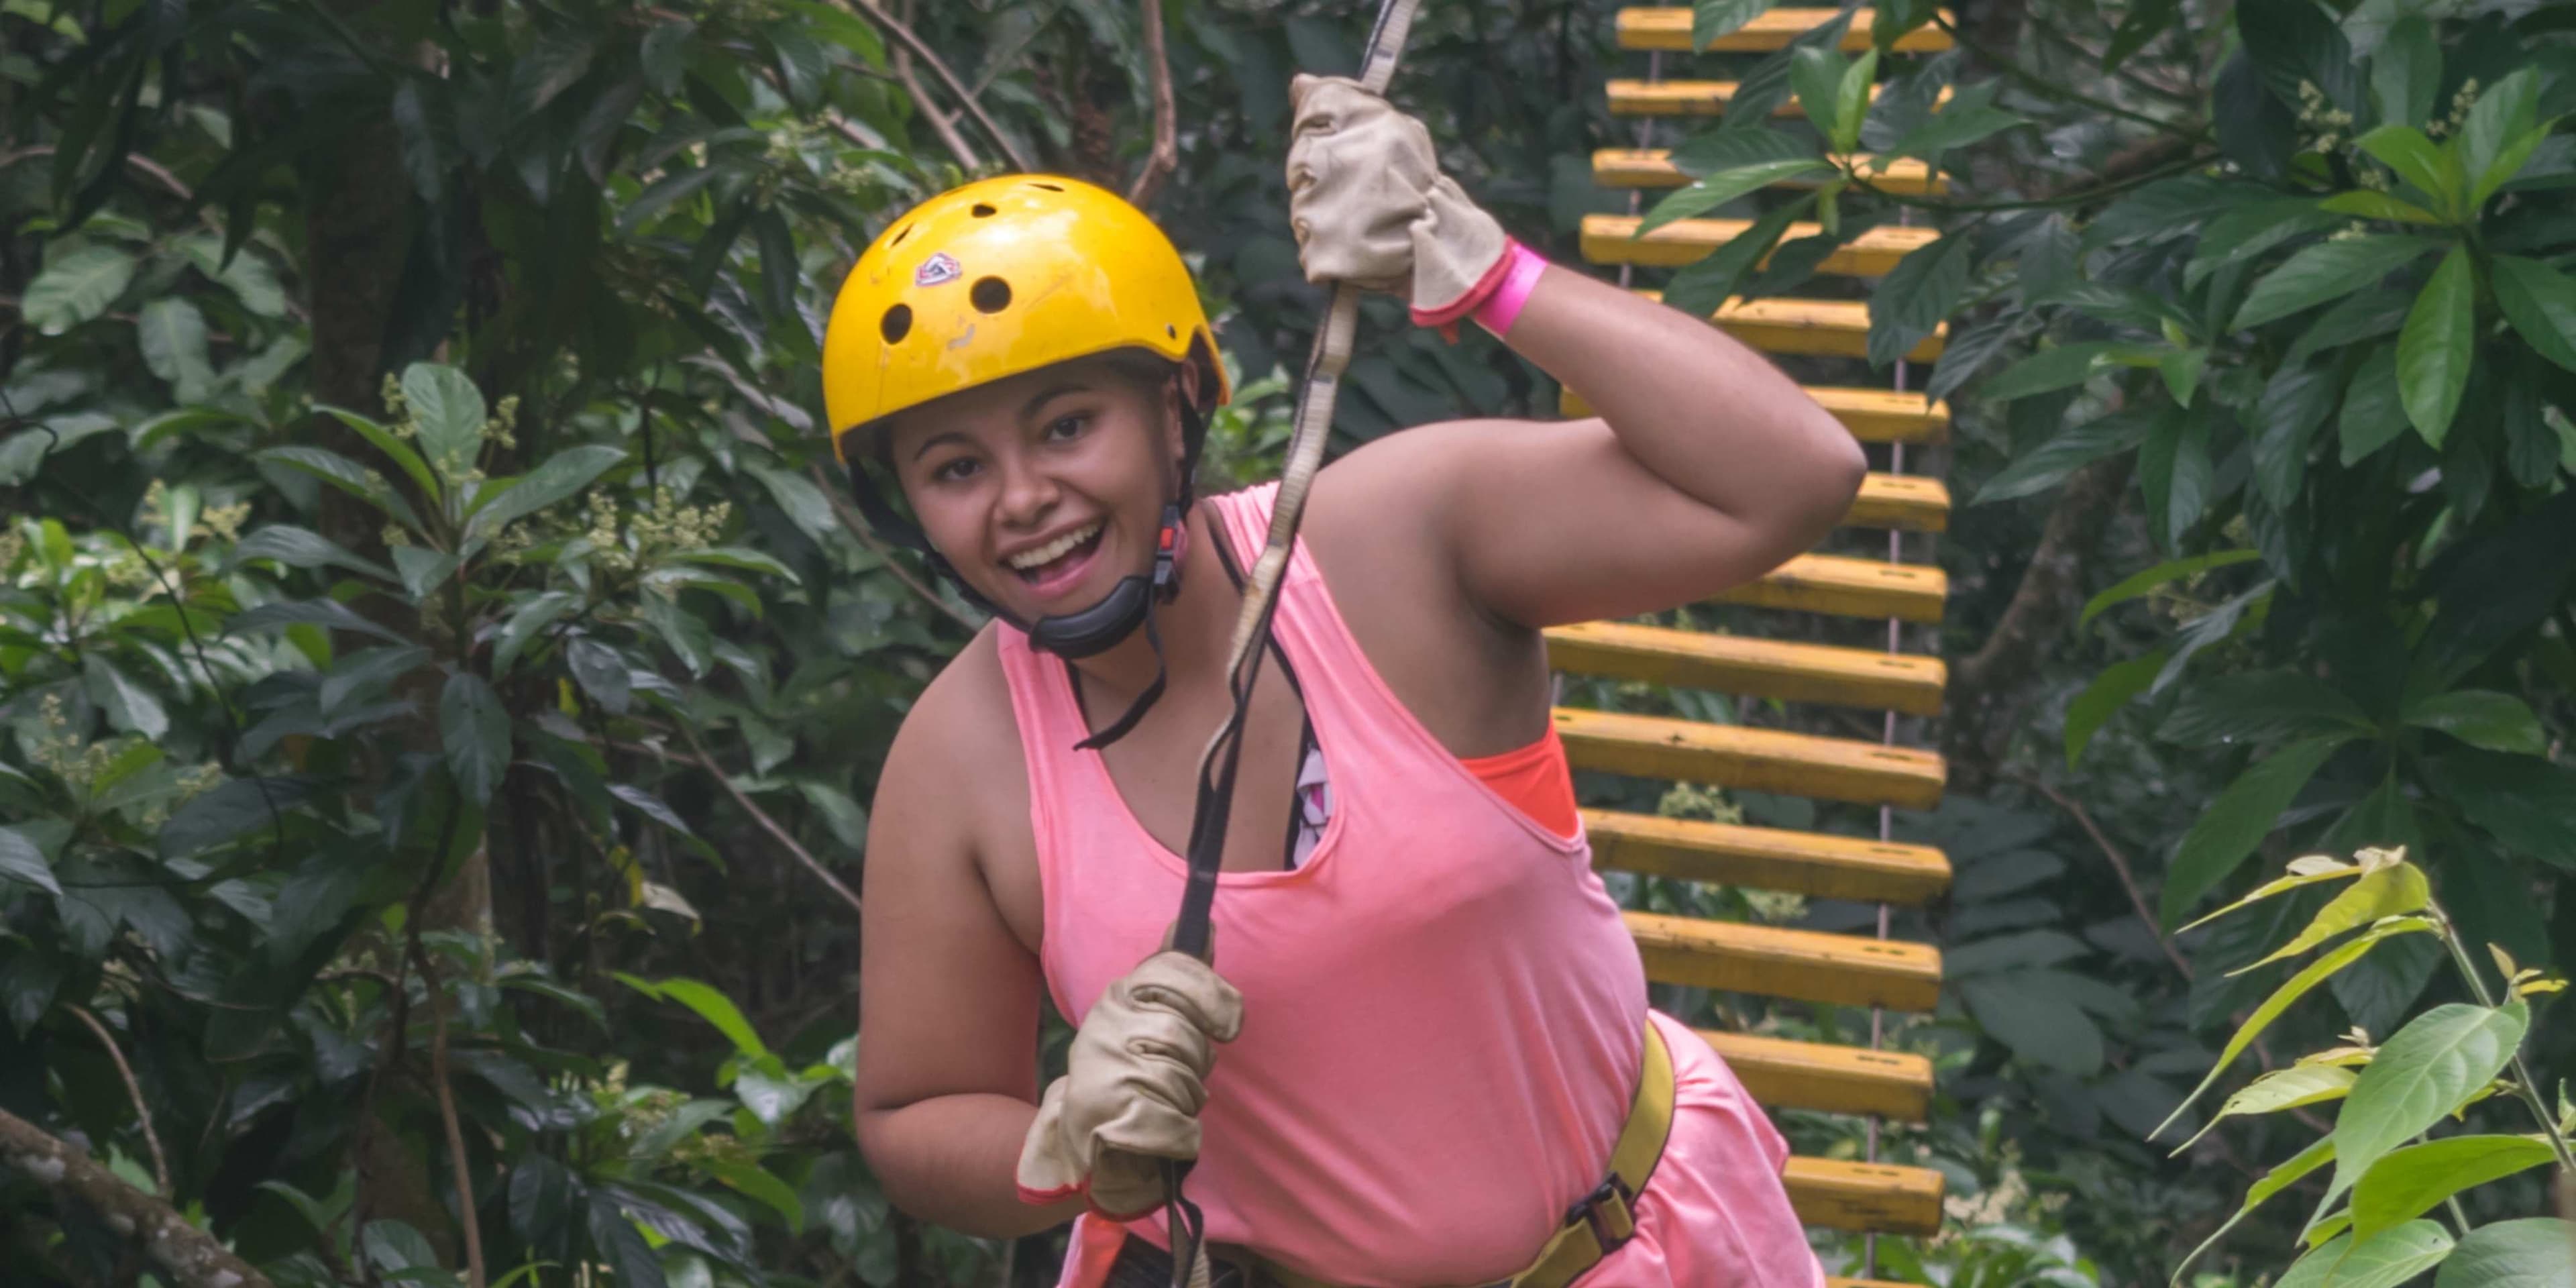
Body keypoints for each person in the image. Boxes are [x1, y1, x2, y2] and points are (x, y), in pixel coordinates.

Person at [835, 73, 1866, 1288]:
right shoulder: (962, 761)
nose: (1020, 501)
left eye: (1067, 427)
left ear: (1176, 408)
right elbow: (914, 1115)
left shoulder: (1390, 545)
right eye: (956, 467)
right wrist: (1059, 1148)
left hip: (1647, 1241)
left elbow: (1794, 477)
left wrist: (1480, 268)